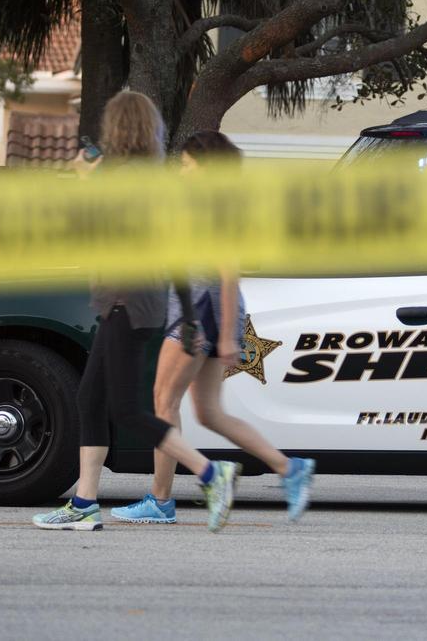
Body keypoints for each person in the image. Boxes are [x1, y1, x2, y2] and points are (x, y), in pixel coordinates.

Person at [33, 93, 240, 532]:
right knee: (91, 398)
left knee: (127, 410)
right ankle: (85, 502)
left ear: (118, 128)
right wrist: (185, 315)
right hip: (130, 300)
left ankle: (210, 472)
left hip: (129, 299)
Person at [111, 130, 316, 525]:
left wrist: (224, 335)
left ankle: (163, 499)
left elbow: (226, 272)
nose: (182, 171)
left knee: (162, 403)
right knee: (208, 413)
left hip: (200, 313)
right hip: (207, 312)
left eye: (187, 165)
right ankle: (290, 469)